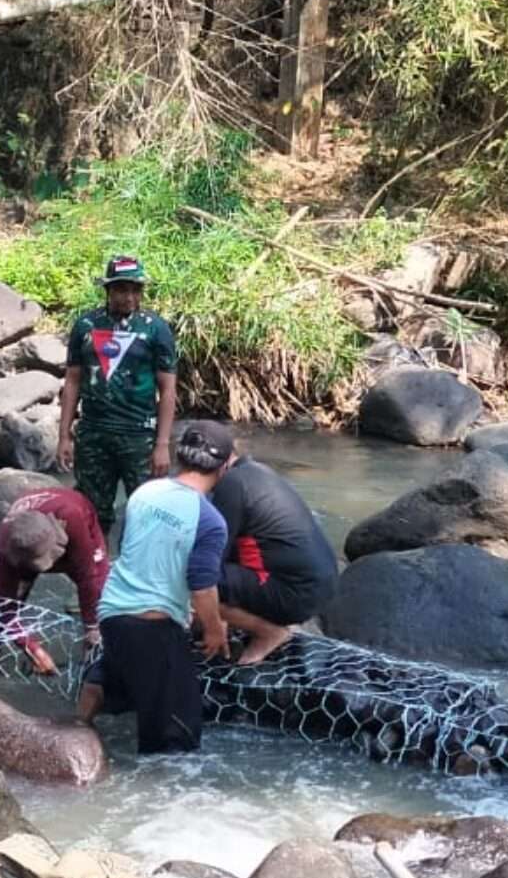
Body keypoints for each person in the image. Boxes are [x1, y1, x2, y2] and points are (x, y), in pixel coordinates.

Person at [94, 420, 234, 754]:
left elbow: (130, 547)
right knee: (177, 743)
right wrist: (215, 630)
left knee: (130, 695)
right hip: (153, 629)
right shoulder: (210, 520)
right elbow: (201, 586)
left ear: (177, 455)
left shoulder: (144, 493)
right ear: (225, 467)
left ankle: (84, 725)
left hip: (111, 617)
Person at [58, 255, 177, 536]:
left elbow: (168, 388)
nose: (129, 297)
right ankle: (94, 573)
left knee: (146, 512)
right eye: (122, 289)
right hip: (93, 435)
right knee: (91, 513)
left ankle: (138, 574)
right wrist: (64, 435)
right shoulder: (86, 326)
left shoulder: (155, 329)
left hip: (139, 436)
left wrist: (162, 444)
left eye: (136, 290)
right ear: (108, 290)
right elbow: (73, 381)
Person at [209, 445, 338, 666]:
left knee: (198, 576)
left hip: (295, 595)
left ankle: (268, 632)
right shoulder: (258, 471)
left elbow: (214, 560)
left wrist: (212, 620)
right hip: (319, 588)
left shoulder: (231, 484)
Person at [0, 486, 110, 677]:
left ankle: (94, 663)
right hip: (27, 544)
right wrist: (31, 648)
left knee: (101, 590)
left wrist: (91, 628)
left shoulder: (73, 518)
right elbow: (3, 605)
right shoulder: (8, 544)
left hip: (74, 519)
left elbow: (88, 577)